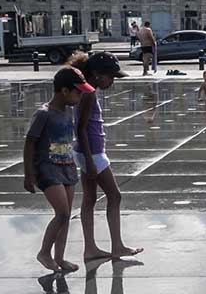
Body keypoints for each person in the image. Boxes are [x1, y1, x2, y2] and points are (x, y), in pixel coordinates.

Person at [67, 51, 143, 262]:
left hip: (86, 152)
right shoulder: (89, 93)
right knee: (115, 196)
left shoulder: (85, 90)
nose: (113, 81)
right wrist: (91, 163)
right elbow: (81, 128)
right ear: (98, 74)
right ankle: (117, 246)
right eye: (111, 76)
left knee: (90, 199)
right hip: (92, 154)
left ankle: (90, 248)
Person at [23, 66, 94, 272]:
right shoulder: (43, 114)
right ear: (64, 91)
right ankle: (44, 252)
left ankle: (60, 258)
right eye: (78, 91)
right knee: (62, 213)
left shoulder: (68, 112)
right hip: (47, 169)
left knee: (67, 215)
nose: (80, 96)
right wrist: (29, 174)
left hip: (66, 167)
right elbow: (30, 143)